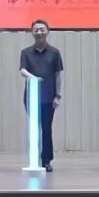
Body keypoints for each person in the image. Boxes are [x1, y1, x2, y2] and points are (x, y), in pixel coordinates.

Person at [19, 19, 64, 172]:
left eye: (42, 29)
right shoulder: (26, 52)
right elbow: (22, 70)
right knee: (33, 128)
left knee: (46, 128)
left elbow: (58, 75)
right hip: (31, 97)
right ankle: (34, 158)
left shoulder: (54, 52)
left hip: (49, 98)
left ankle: (46, 160)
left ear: (48, 32)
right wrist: (33, 77)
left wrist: (58, 96)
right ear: (32, 33)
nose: (39, 32)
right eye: (36, 30)